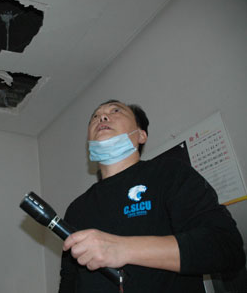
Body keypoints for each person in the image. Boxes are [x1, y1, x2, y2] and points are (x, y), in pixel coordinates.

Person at [59, 100, 245, 292]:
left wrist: (122, 249)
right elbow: (68, 281)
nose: (102, 117)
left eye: (115, 111)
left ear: (141, 135)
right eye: (94, 117)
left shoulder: (169, 173)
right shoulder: (76, 208)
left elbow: (226, 247)